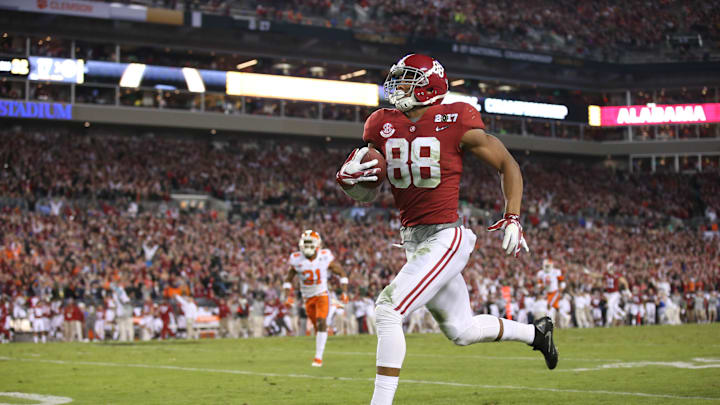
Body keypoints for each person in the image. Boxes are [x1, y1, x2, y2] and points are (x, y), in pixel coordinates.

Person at [335, 54, 558, 404]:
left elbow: (506, 163)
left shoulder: (455, 119)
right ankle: (537, 333)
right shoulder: (380, 123)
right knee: (462, 330)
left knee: (388, 309)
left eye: (407, 79)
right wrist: (352, 181)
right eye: (398, 78)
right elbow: (368, 189)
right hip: (414, 241)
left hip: (446, 236)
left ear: (428, 85)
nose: (398, 86)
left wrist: (513, 215)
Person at [283, 230, 349, 367]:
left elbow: (341, 273)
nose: (307, 247)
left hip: (322, 294)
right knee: (317, 327)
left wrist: (344, 292)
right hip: (307, 297)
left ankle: (318, 358)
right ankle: (328, 327)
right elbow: (288, 279)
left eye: (310, 243)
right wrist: (287, 295)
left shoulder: (324, 257)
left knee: (321, 321)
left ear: (318, 244)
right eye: (305, 243)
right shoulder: (296, 259)